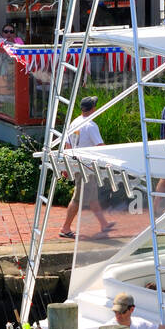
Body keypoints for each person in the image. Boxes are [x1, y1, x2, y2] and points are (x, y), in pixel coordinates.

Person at [59, 96, 114, 239]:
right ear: (93, 109)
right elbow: (101, 147)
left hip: (78, 165)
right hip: (87, 167)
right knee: (77, 198)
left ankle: (103, 223)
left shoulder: (75, 122)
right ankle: (65, 228)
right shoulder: (91, 125)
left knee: (92, 197)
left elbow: (67, 146)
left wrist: (66, 166)